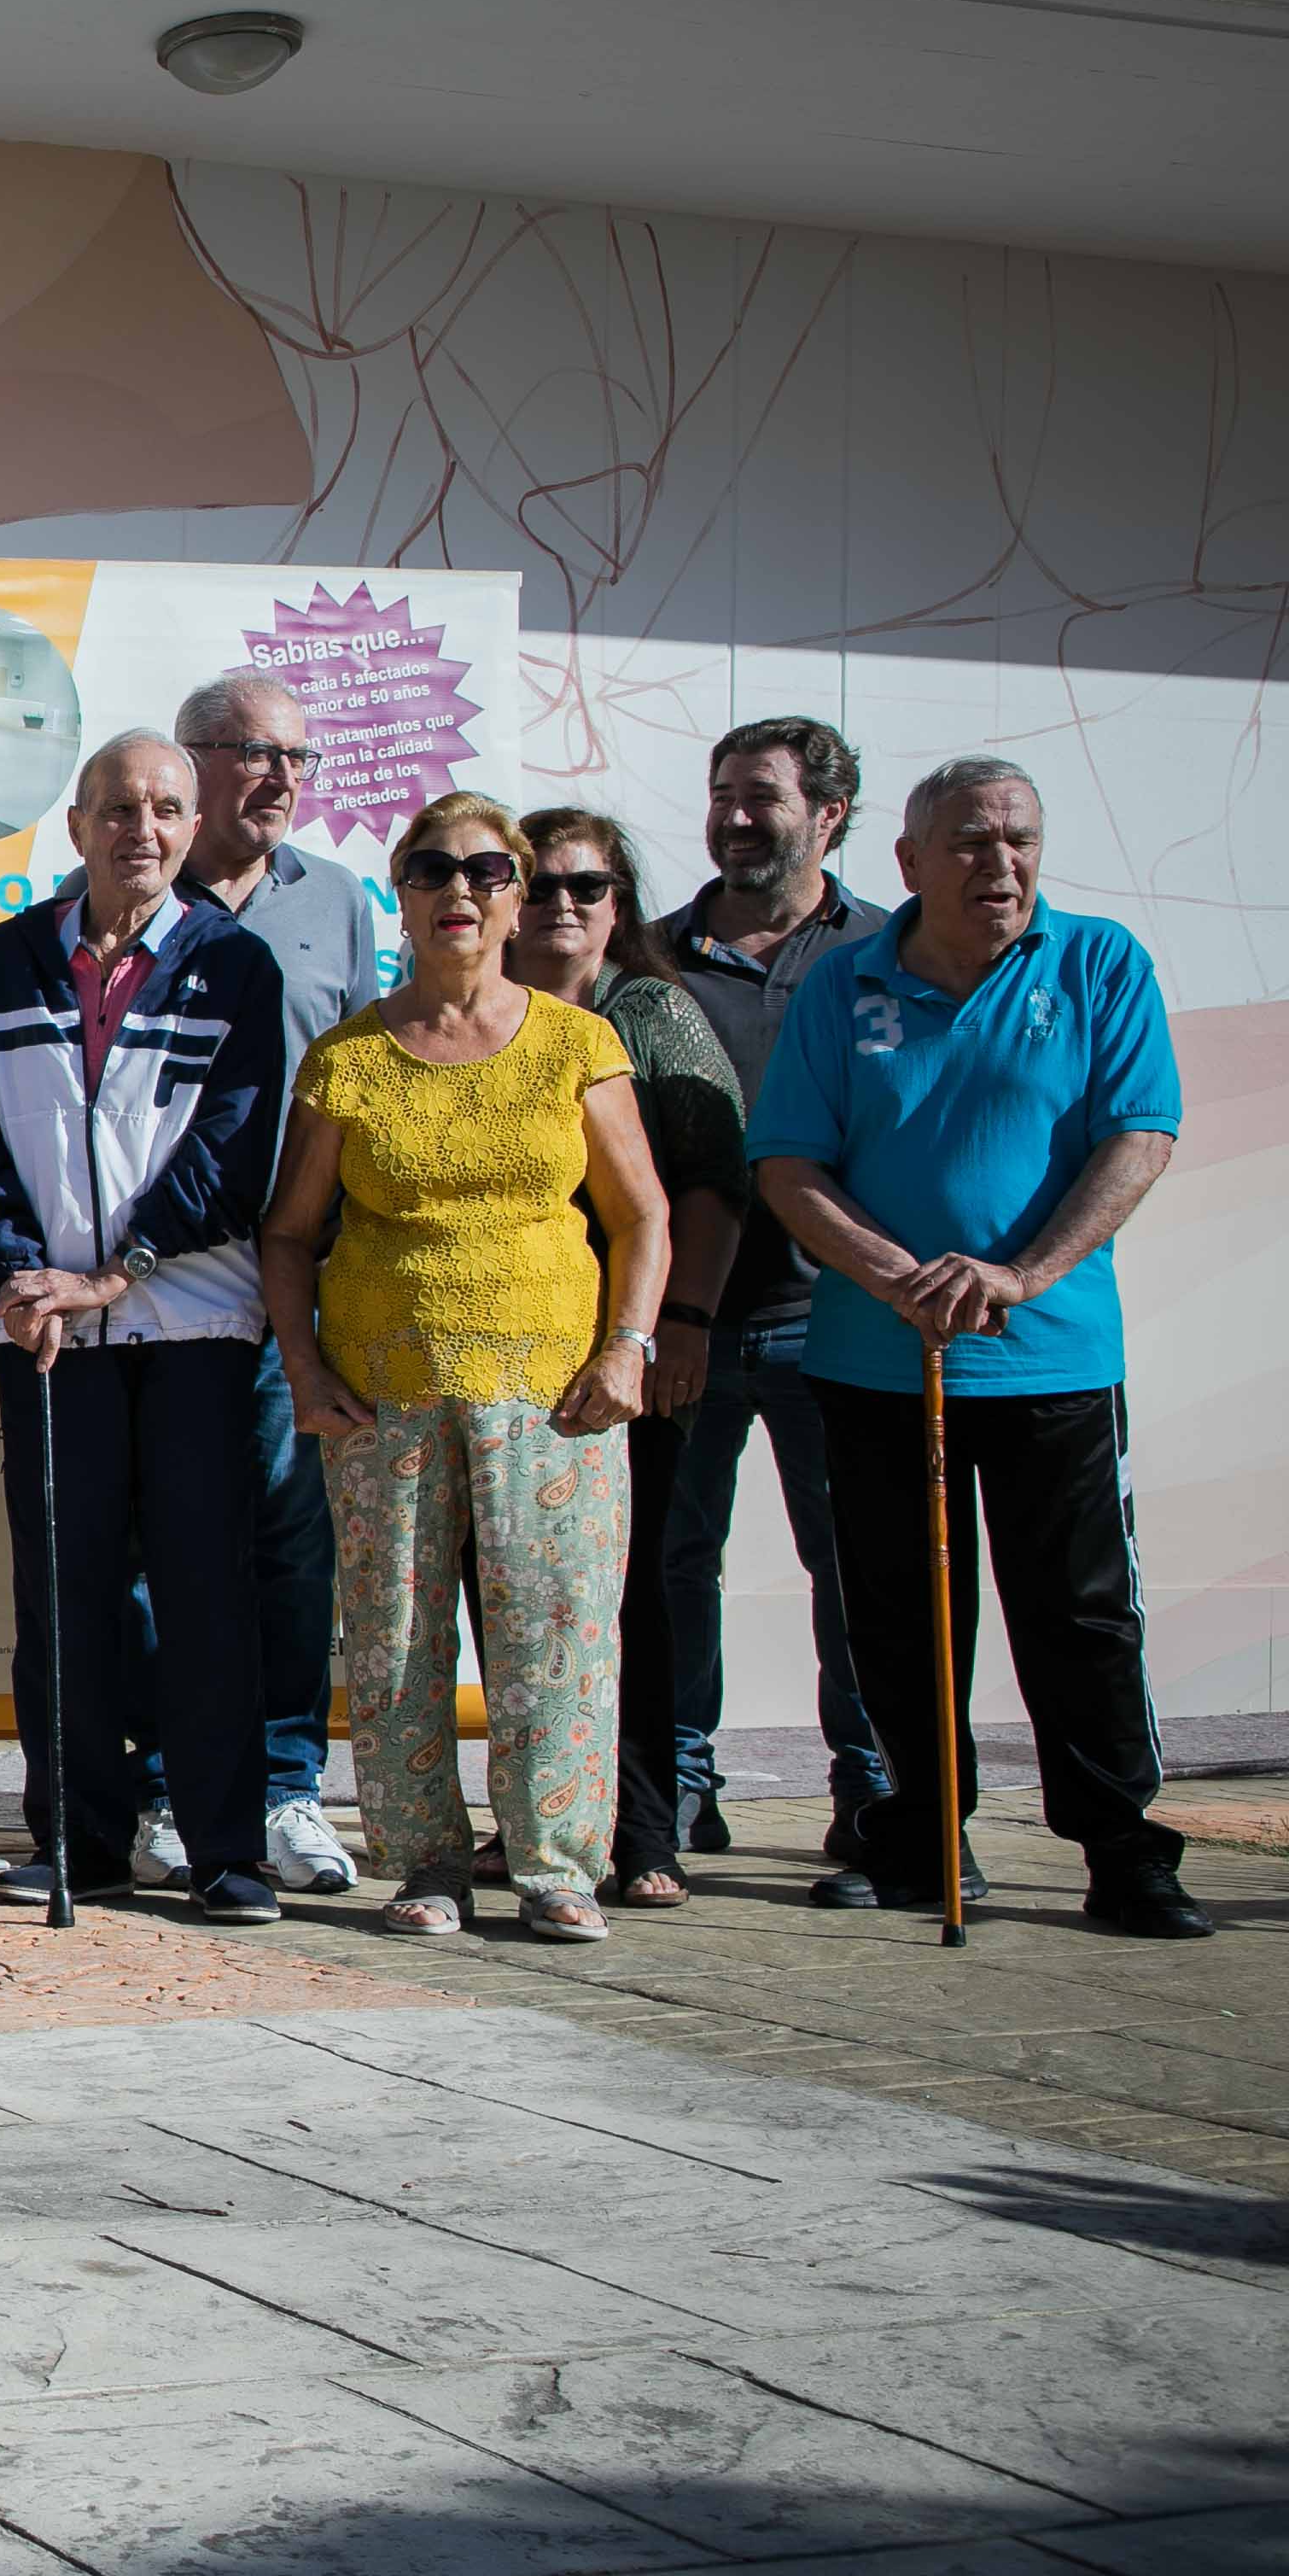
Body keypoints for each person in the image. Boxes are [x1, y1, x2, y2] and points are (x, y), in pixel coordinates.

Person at [747, 758, 1199, 1938]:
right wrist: (899, 1277)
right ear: (908, 861)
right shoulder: (844, 988)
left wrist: (1019, 1274)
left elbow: (1139, 1137)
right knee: (897, 1617)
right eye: (969, 843)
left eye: (1017, 841)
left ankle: (1123, 1849)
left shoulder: (1100, 963)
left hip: (1051, 1359)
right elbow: (789, 1165)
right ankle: (920, 1836)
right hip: (879, 1360)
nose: (998, 864)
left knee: (1083, 1614)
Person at [265, 791, 669, 1942]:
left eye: (491, 873)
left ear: (518, 893)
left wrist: (631, 1347)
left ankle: (555, 1868)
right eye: (435, 870)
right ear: (402, 888)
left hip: (554, 1392)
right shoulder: (350, 1056)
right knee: (394, 1638)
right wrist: (302, 1365)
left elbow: (641, 1216)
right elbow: (289, 1233)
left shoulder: (576, 1043)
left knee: (558, 1627)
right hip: (384, 1387)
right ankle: (427, 1865)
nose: (462, 892)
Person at [0, 734, 287, 1922]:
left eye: (167, 810)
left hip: (191, 1326)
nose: (143, 828)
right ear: (76, 826)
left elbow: (237, 1156)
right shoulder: (5, 962)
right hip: (44, 1331)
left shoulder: (236, 964)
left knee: (201, 1597)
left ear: (194, 831)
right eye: (119, 808)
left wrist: (118, 1273)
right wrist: (25, 1274)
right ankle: (77, 1840)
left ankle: (226, 1850)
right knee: (63, 1595)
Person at [157, 670, 382, 1898]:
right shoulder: (127, 891)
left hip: (304, 1281)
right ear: (193, 762)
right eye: (255, 751)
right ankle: (158, 1792)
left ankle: (290, 1788)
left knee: (292, 1543)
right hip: (162, 1282)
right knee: (160, 1545)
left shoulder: (337, 901)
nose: (283, 776)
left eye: (298, 754)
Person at [659, 717, 896, 1872]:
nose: (736, 816)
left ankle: (872, 1793)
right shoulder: (648, 957)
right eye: (722, 794)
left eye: (763, 797)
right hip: (677, 1324)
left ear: (830, 815)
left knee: (852, 1569)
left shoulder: (888, 957)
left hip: (836, 1321)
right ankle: (678, 1780)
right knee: (668, 1564)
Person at [510, 808, 745, 1913]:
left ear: (621, 903)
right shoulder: (473, 1020)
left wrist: (676, 1325)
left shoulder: (650, 1014)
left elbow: (709, 1185)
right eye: (541, 884)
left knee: (628, 1593)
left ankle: (644, 1831)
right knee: (514, 1601)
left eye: (588, 887)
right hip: (507, 1358)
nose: (563, 905)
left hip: (631, 1355)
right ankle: (534, 1832)